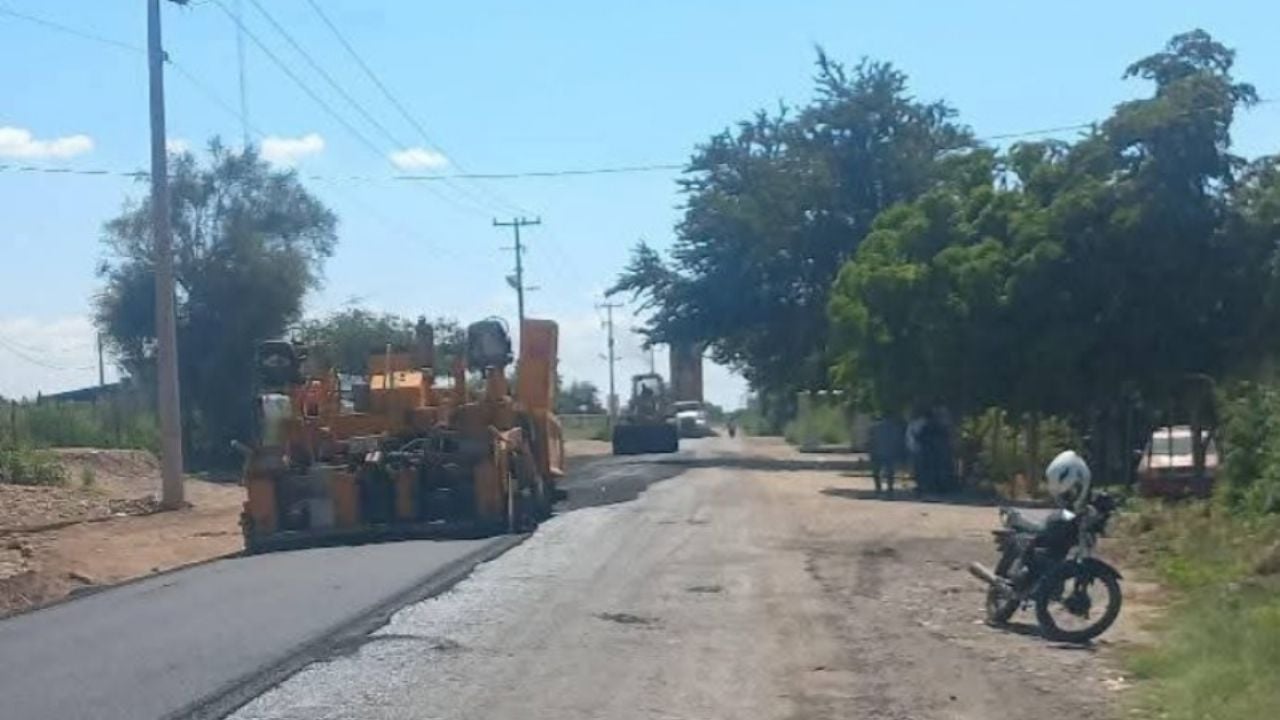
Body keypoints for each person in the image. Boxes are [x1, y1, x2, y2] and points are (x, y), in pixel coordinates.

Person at [869, 415, 905, 494]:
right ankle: (890, 488)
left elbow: (871, 440)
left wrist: (871, 451)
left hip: (877, 452)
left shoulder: (874, 427)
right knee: (890, 471)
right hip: (890, 452)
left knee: (876, 471)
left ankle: (878, 488)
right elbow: (898, 441)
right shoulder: (896, 428)